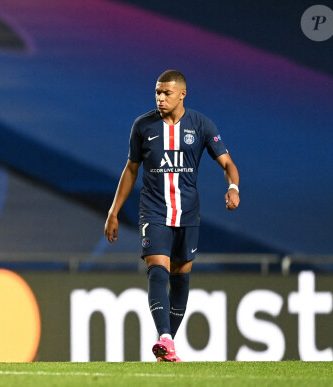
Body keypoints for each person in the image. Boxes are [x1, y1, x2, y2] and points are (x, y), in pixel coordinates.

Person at [104, 70, 240, 362]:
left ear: (182, 95)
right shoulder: (143, 126)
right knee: (157, 271)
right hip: (153, 211)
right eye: (157, 92)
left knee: (180, 279)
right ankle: (165, 337)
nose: (160, 98)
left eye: (166, 93)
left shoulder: (201, 125)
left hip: (188, 214)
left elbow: (228, 163)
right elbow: (131, 170)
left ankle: (168, 345)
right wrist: (113, 211)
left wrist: (233, 187)